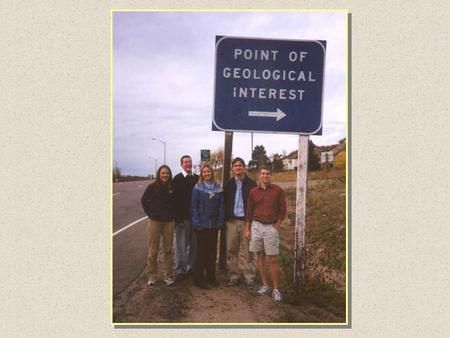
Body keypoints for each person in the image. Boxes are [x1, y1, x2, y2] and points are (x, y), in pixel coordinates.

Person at [245, 165, 287, 302]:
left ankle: (276, 289)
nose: (265, 176)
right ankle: (265, 285)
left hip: (271, 227)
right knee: (260, 257)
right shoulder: (253, 192)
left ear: (270, 175)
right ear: (259, 175)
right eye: (263, 173)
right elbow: (249, 212)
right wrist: (247, 228)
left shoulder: (277, 191)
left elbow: (283, 210)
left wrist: (276, 226)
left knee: (272, 259)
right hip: (256, 226)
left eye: (267, 173)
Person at [223, 157, 257, 287]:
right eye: (235, 166)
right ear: (232, 168)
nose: (238, 168)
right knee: (231, 250)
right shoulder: (228, 185)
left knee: (248, 250)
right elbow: (224, 203)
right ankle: (234, 276)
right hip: (231, 222)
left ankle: (249, 277)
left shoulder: (252, 184)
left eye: (240, 165)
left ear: (244, 167)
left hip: (246, 222)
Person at [191, 163, 225, 289]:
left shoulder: (218, 188)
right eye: (204, 172)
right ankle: (198, 279)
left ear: (212, 173)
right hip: (202, 226)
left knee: (212, 253)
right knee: (201, 253)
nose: (206, 173)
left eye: (208, 171)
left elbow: (221, 206)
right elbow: (194, 208)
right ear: (202, 174)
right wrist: (197, 223)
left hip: (214, 226)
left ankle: (211, 277)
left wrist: (220, 222)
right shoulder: (198, 188)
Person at [141, 165, 175, 287]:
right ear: (159, 174)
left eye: (167, 173)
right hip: (154, 222)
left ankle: (169, 276)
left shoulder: (172, 187)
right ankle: (152, 276)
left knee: (168, 250)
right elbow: (144, 200)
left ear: (169, 174)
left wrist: (173, 215)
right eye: (163, 173)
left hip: (169, 223)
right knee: (153, 251)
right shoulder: (152, 187)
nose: (165, 175)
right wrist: (150, 213)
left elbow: (176, 202)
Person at [172, 155, 199, 280]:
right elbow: (174, 201)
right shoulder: (177, 179)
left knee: (194, 245)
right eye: (185, 162)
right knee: (181, 246)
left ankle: (191, 268)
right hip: (182, 219)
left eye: (190, 162)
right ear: (181, 164)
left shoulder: (197, 179)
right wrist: (177, 219)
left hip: (196, 219)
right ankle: (180, 270)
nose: (188, 164)